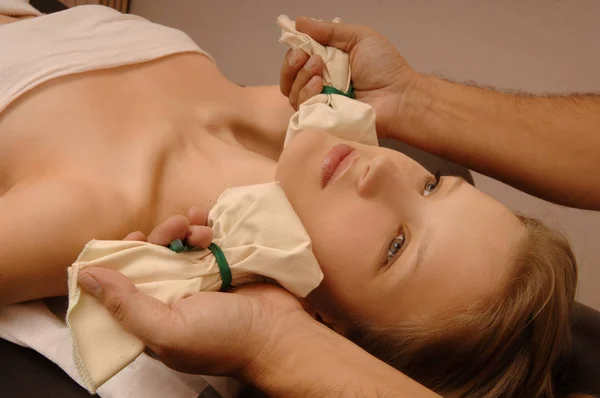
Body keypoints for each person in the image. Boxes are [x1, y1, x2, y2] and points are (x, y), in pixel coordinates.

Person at [0, 7, 578, 398]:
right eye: (431, 186)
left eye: (396, 245)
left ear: (328, 324)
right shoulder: (291, 112)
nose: (385, 172)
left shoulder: (92, 208)